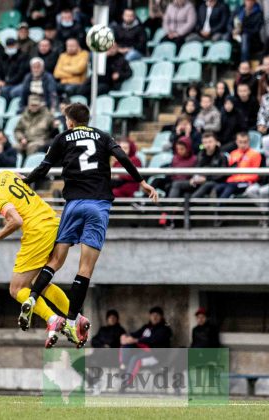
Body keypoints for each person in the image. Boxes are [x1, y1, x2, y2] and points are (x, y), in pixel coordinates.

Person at [22, 103, 158, 347]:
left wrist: (27, 180)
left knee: (55, 260)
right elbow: (123, 158)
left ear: (70, 121)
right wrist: (142, 182)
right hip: (98, 205)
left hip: (73, 204)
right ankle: (72, 319)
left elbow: (44, 166)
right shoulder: (103, 136)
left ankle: (32, 297)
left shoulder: (63, 137)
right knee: (85, 268)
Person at [0, 166, 76, 347]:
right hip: (53, 221)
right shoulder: (5, 174)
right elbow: (21, 178)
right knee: (40, 280)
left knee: (16, 288)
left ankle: (53, 318)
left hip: (37, 231)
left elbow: (16, 220)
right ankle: (75, 317)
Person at [119, 306, 173, 387]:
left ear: (161, 316)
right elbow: (136, 334)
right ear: (150, 316)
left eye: (157, 315)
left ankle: (126, 383)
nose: (154, 317)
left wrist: (137, 340)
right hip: (145, 352)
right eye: (152, 315)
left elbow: (153, 339)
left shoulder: (165, 328)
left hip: (157, 355)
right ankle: (124, 366)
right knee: (126, 346)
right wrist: (125, 336)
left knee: (135, 358)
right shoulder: (147, 327)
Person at [216, 132, 261, 198]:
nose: (243, 144)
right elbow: (229, 172)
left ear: (249, 142)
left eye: (245, 142)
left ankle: (218, 207)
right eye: (240, 142)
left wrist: (240, 179)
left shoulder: (255, 154)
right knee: (218, 188)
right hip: (232, 181)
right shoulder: (233, 153)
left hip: (246, 182)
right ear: (236, 142)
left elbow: (256, 175)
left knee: (231, 187)